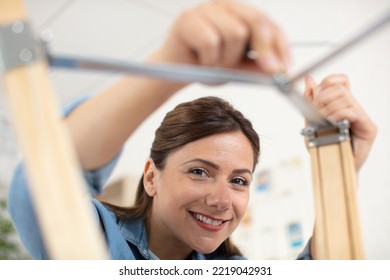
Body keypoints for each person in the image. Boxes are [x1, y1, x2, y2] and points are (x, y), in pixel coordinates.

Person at [8, 0, 376, 260]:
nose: (221, 200)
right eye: (200, 171)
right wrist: (175, 59)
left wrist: (343, 167)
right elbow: (47, 182)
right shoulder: (96, 238)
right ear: (152, 178)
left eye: (239, 180)